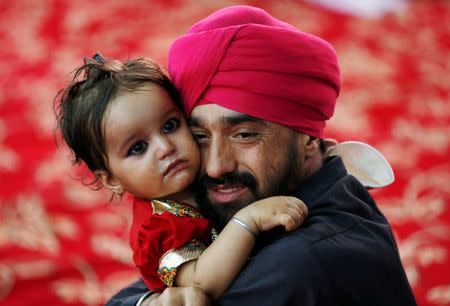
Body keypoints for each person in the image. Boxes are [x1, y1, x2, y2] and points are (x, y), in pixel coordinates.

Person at [106, 5, 417, 306]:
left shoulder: (294, 266)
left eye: (244, 135)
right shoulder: (296, 190)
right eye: (199, 136)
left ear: (309, 137)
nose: (215, 167)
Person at [54, 54, 308, 299]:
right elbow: (201, 283)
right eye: (138, 148)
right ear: (111, 180)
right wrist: (247, 221)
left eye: (170, 125)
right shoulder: (159, 228)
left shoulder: (193, 178)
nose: (166, 148)